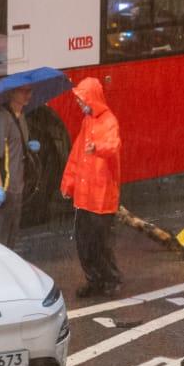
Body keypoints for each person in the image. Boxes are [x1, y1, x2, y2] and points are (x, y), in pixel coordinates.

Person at [59, 76, 122, 297]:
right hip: (85, 197)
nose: (79, 103)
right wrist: (69, 183)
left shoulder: (109, 121)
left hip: (101, 196)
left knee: (101, 242)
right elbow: (76, 156)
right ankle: (95, 279)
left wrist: (97, 147)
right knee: (85, 242)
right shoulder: (88, 122)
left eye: (82, 99)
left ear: (92, 98)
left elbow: (113, 146)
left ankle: (110, 279)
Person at [0, 85, 39, 249]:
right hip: (1, 190)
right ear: (11, 92)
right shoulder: (1, 118)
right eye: (24, 91)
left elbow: (15, 145)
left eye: (30, 90)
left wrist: (28, 146)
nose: (28, 94)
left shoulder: (20, 116)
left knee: (11, 242)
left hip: (16, 189)